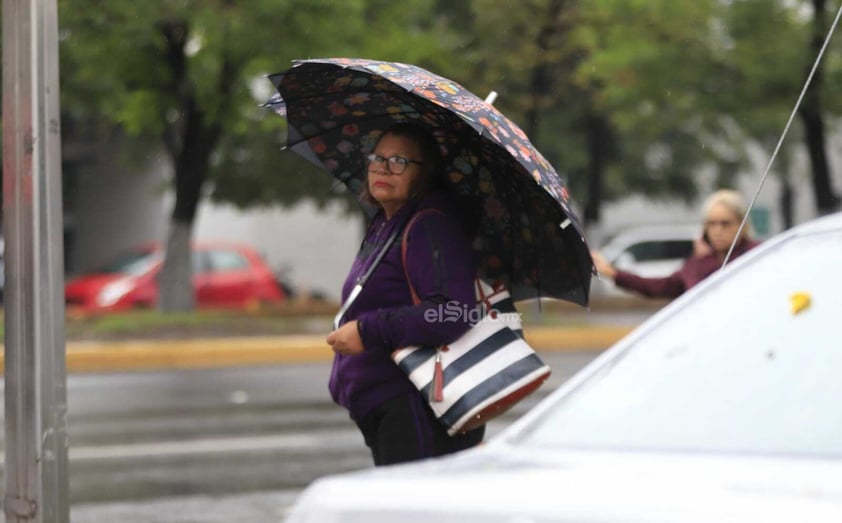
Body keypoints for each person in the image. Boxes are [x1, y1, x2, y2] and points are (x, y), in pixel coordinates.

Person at [326, 122, 484, 466]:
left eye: (398, 161)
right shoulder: (388, 222)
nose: (382, 168)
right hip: (386, 404)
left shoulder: (431, 225)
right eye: (377, 158)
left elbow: (456, 312)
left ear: (425, 173)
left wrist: (369, 331)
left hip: (417, 406)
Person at [591, 189, 760, 299]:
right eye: (711, 224)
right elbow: (660, 286)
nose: (718, 230)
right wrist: (614, 274)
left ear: (743, 226)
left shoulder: (758, 256)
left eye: (725, 223)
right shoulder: (697, 264)